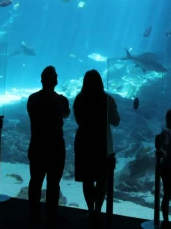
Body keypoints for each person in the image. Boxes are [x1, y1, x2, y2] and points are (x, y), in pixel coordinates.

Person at [73, 69, 120, 227]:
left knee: (87, 179)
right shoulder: (108, 99)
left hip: (84, 142)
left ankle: (91, 211)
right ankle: (98, 211)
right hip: (102, 142)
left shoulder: (79, 99)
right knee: (102, 179)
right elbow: (116, 121)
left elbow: (79, 120)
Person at [27, 66, 71, 224]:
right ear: (55, 80)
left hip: (37, 144)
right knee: (53, 183)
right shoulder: (61, 100)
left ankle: (34, 214)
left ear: (42, 80)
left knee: (35, 181)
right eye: (56, 76)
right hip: (55, 147)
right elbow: (66, 114)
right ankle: (52, 214)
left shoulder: (32, 99)